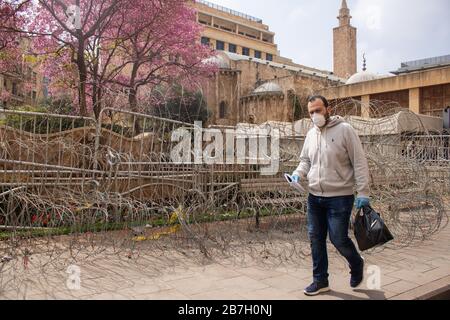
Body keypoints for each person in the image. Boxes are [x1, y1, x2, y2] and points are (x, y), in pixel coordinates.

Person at [292, 95, 371, 296]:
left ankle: (356, 263)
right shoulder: (311, 134)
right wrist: (298, 173)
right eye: (311, 112)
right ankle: (320, 281)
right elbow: (305, 160)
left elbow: (359, 161)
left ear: (328, 108)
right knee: (315, 238)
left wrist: (363, 191)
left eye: (318, 110)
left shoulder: (345, 130)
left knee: (338, 238)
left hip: (340, 197)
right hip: (314, 196)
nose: (315, 115)